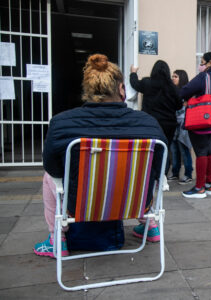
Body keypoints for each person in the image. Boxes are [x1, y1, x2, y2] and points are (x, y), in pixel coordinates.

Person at [33, 54, 167, 258]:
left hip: (79, 206)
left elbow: (53, 168)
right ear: (121, 89)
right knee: (143, 175)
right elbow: (162, 168)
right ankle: (150, 226)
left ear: (86, 91)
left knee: (47, 177)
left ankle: (56, 240)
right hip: (134, 202)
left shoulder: (62, 123)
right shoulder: (147, 123)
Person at [180, 52, 211, 198]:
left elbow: (185, 90)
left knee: (201, 151)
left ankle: (199, 188)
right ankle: (210, 184)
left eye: (202, 62)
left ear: (209, 63)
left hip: (201, 119)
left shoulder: (205, 76)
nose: (200, 65)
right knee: (209, 150)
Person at [129, 60, 182, 172]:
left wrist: (133, 72)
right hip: (169, 124)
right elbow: (179, 106)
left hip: (150, 123)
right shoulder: (173, 88)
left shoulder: (147, 82)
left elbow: (135, 84)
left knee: (150, 150)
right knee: (165, 149)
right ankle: (163, 177)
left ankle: (150, 175)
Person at [169, 69, 194, 184]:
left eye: (175, 76)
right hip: (174, 123)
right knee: (174, 150)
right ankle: (175, 173)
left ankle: (188, 174)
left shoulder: (187, 93)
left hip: (184, 124)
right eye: (172, 76)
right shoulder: (172, 92)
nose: (173, 78)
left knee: (184, 149)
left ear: (182, 78)